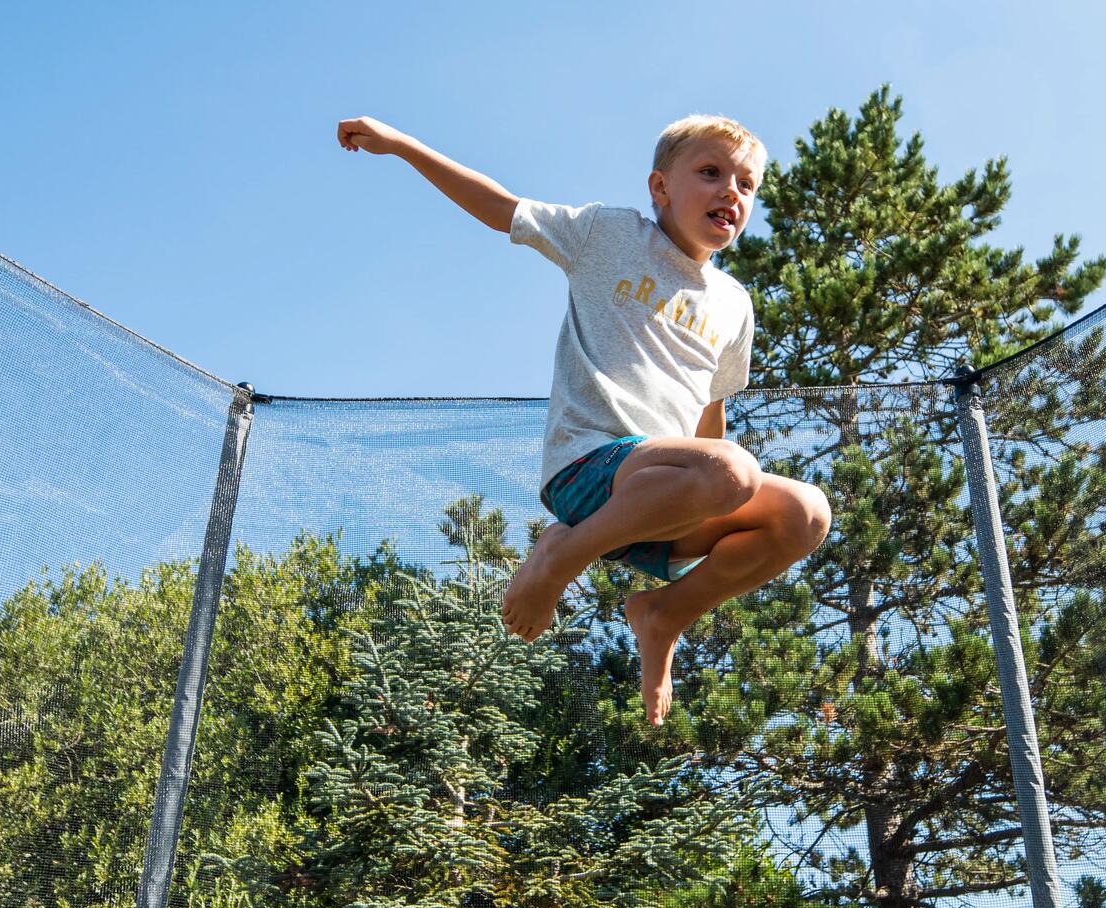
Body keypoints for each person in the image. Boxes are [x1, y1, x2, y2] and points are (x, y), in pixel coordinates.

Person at [335, 112, 831, 725]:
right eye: (710, 172)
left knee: (806, 513)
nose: (731, 190)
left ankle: (663, 614)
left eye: (746, 185)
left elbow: (711, 411)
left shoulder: (734, 305)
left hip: (661, 503)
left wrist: (714, 496)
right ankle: (558, 558)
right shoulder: (607, 235)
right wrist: (402, 144)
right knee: (735, 470)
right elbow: (502, 209)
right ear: (660, 188)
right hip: (591, 465)